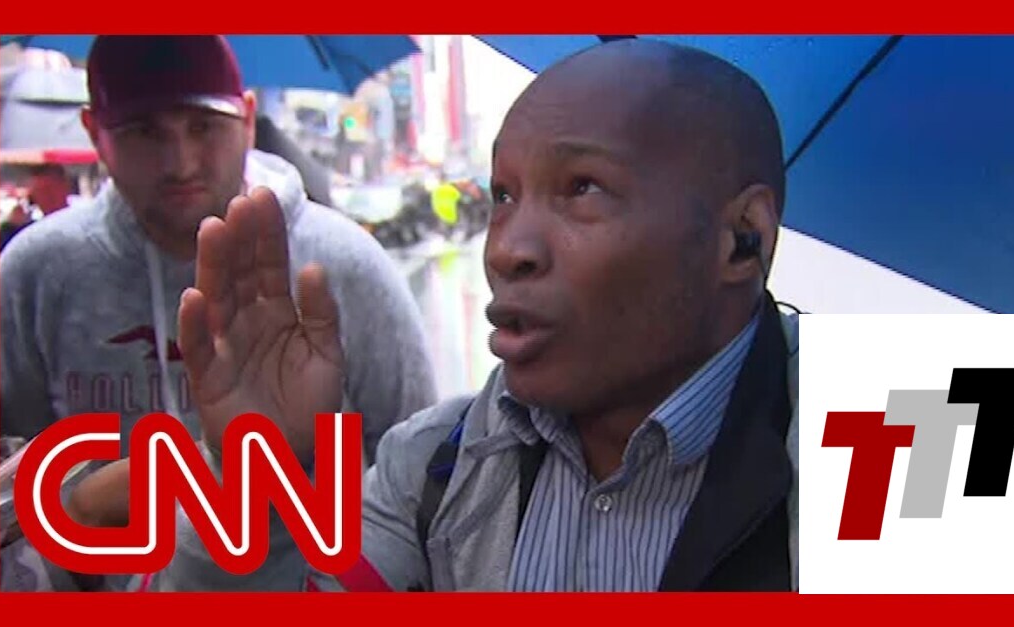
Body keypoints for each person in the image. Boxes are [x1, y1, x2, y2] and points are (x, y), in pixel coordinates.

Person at [77, 38, 800, 592]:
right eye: (504, 196)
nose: (506, 249)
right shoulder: (430, 467)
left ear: (742, 239)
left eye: (582, 187)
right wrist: (258, 479)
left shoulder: (861, 445)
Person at [0, 35, 437, 590]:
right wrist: (84, 506)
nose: (180, 163)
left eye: (204, 126)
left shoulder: (342, 265)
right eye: (144, 131)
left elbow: (422, 478)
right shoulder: (36, 274)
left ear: (248, 120)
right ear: (94, 133)